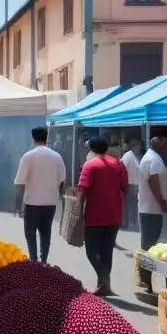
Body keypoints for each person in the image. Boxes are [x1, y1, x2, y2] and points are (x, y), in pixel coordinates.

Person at [78, 136, 128, 296]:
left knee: (92, 251)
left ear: (92, 149)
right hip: (114, 215)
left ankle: (104, 278)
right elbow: (125, 188)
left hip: (94, 215)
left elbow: (82, 191)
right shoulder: (119, 164)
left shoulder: (90, 165)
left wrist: (78, 211)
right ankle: (104, 285)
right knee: (107, 250)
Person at [14, 126, 66, 264]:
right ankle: (43, 260)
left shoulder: (28, 156)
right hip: (50, 203)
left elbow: (19, 182)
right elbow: (62, 181)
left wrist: (17, 202)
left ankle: (33, 260)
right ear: (46, 138)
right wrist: (60, 196)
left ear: (33, 138)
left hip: (32, 202)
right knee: (45, 233)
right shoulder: (57, 157)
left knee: (30, 234)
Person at [137, 132, 167, 294]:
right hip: (152, 209)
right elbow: (154, 182)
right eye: (165, 140)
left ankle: (145, 279)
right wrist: (162, 202)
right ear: (159, 139)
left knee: (148, 244)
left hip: (148, 208)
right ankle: (147, 279)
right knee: (150, 245)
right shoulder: (155, 160)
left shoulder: (150, 157)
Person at [121, 138, 142, 230]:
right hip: (129, 183)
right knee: (127, 204)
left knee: (134, 205)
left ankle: (133, 223)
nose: (138, 148)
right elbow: (123, 169)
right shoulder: (127, 156)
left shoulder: (138, 156)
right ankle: (125, 222)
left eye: (139, 147)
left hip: (136, 184)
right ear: (132, 147)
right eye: (136, 147)